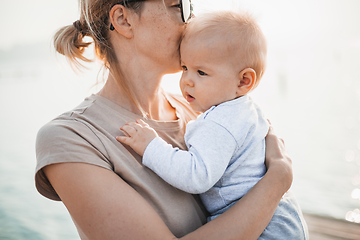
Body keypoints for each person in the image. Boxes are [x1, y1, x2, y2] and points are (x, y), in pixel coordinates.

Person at [35, 0, 294, 239]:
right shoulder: (72, 137)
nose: (191, 20)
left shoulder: (204, 109)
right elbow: (270, 175)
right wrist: (277, 181)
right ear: (124, 20)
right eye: (179, 6)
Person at [116, 11, 309, 239]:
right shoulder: (242, 111)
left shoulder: (221, 123)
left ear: (243, 81)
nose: (187, 79)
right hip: (277, 217)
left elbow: (197, 175)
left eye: (201, 72)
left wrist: (151, 147)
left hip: (264, 227)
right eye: (185, 67)